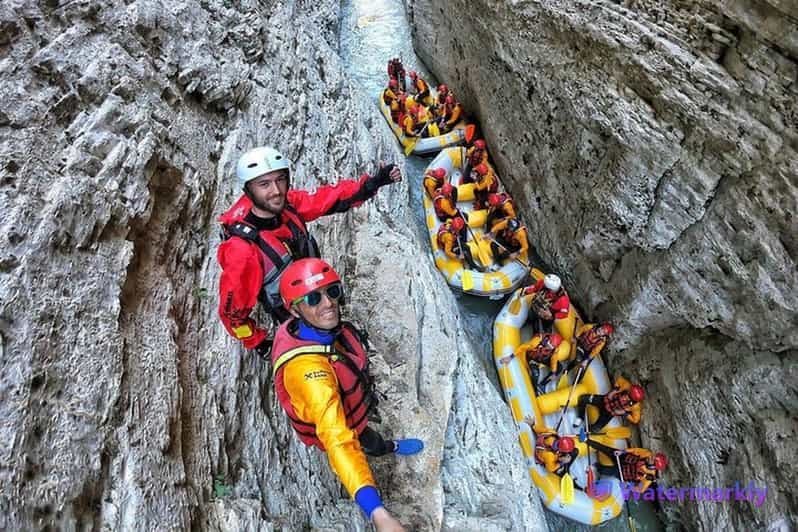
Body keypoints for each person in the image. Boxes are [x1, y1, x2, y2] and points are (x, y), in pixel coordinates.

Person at [271, 258, 424, 531]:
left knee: (370, 438)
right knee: (355, 443)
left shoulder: (305, 331)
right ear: (295, 311)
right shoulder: (309, 376)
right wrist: (378, 513)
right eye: (313, 298)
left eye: (332, 291)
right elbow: (338, 439)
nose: (328, 303)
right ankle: (378, 455)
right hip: (338, 423)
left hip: (354, 412)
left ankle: (387, 447)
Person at [217, 146, 401, 355]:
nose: (276, 191)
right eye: (264, 184)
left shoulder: (289, 206)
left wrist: (372, 184)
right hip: (296, 319)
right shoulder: (242, 251)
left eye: (280, 179)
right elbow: (232, 314)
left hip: (317, 293)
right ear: (248, 191)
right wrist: (258, 342)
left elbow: (331, 198)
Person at [585, 440, 667, 494]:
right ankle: (587, 440)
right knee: (606, 449)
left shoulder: (650, 477)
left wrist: (629, 487)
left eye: (653, 458)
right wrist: (622, 451)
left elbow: (641, 490)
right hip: (623, 458)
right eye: (653, 456)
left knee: (607, 471)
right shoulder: (647, 453)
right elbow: (635, 450)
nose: (651, 456)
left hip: (623, 473)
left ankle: (595, 467)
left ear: (653, 466)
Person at [577, 375, 644, 432]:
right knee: (583, 399)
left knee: (596, 429)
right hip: (603, 400)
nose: (625, 398)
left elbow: (635, 420)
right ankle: (581, 416)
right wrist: (615, 389)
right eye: (628, 394)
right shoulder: (626, 385)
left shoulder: (635, 407)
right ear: (629, 390)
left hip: (608, 413)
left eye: (630, 398)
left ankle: (585, 430)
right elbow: (619, 379)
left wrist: (624, 413)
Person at [521, 274, 574, 340]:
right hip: (535, 308)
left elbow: (564, 314)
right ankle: (528, 322)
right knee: (531, 318)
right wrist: (527, 292)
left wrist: (552, 315)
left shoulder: (563, 300)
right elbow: (535, 288)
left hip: (547, 317)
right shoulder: (543, 283)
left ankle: (542, 337)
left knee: (545, 328)